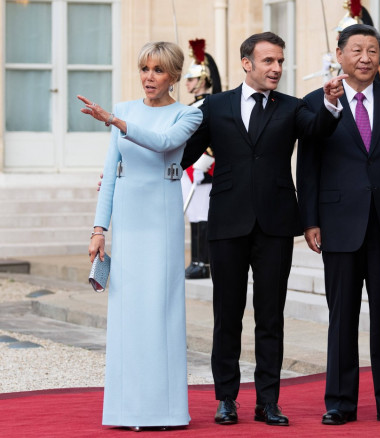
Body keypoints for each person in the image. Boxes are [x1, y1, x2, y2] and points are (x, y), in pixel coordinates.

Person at [180, 32, 347, 427]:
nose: (276, 68)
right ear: (246, 63)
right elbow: (184, 152)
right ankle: (226, 399)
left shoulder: (292, 107)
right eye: (268, 61)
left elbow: (318, 129)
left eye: (280, 61)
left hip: (274, 224)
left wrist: (330, 101)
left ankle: (268, 401)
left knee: (270, 316)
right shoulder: (214, 106)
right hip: (226, 224)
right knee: (227, 315)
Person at [297, 24, 380, 428]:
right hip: (338, 225)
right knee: (342, 317)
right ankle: (339, 401)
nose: (365, 58)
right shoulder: (316, 103)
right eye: (357, 50)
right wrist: (311, 221)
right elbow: (309, 166)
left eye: (372, 50)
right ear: (339, 55)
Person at [81, 41, 203, 430]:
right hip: (128, 223)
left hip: (162, 220)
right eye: (145, 69)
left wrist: (114, 122)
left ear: (174, 76)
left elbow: (163, 144)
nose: (149, 77)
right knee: (127, 315)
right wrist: (99, 229)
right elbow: (110, 175)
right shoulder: (124, 110)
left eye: (158, 70)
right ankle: (126, 410)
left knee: (160, 312)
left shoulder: (188, 114)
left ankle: (166, 412)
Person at [181, 38, 222, 279]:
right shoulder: (193, 105)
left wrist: (205, 159)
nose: (187, 83)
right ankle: (197, 260)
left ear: (204, 78)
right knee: (194, 216)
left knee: (203, 215)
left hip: (206, 168)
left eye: (192, 78)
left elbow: (214, 136)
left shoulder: (210, 103)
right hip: (191, 167)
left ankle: (204, 263)